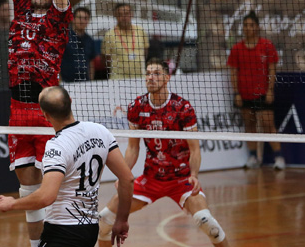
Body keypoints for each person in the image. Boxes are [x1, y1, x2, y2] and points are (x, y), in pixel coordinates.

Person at [3, 0, 73, 246]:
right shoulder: (21, 10)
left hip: (46, 110)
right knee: (27, 190)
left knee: (53, 189)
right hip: (17, 108)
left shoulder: (59, 18)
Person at [97, 59, 229, 247]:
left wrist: (194, 175)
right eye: (148, 73)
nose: (151, 77)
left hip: (181, 179)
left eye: (157, 74)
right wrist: (123, 175)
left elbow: (194, 148)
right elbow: (133, 148)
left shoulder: (182, 108)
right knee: (104, 221)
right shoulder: (137, 107)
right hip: (151, 179)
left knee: (208, 224)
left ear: (167, 78)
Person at [0, 86, 133, 247]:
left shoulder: (56, 147)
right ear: (70, 101)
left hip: (63, 231)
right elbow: (127, 179)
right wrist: (122, 219)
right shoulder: (100, 131)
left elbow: (46, 196)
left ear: (45, 115)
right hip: (90, 229)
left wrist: (12, 203)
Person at [227, 11, 285, 170]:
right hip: (244, 93)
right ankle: (253, 157)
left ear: (257, 27)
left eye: (251, 25)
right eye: (245, 25)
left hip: (263, 93)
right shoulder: (237, 49)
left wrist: (270, 90)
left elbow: (272, 70)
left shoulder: (267, 46)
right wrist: (236, 93)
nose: (248, 28)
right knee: (249, 125)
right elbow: (233, 72)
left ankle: (279, 157)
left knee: (268, 124)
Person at [101, 3, 149, 80]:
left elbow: (145, 50)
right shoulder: (109, 35)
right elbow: (105, 58)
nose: (124, 17)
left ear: (131, 14)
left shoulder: (140, 30)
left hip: (139, 77)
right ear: (115, 16)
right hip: (118, 79)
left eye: (126, 13)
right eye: (120, 14)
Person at [60, 6, 97, 82]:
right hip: (66, 82)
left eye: (85, 18)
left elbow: (91, 62)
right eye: (80, 18)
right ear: (73, 19)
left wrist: (91, 81)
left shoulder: (89, 40)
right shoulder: (63, 37)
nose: (82, 21)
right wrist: (59, 82)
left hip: (85, 82)